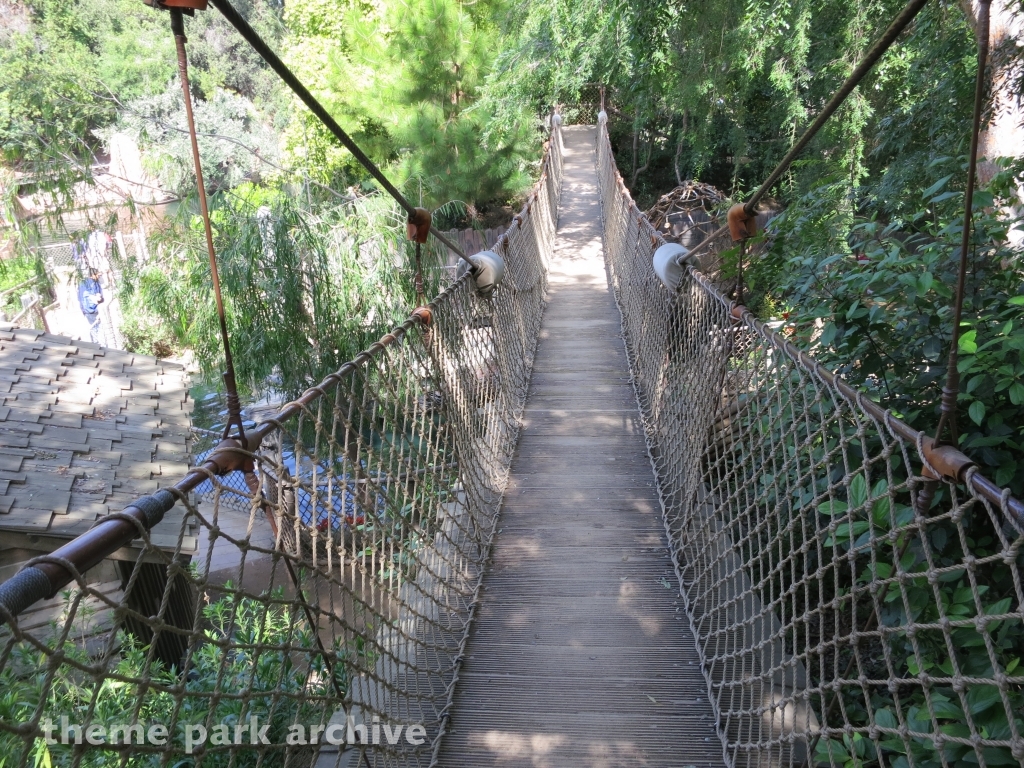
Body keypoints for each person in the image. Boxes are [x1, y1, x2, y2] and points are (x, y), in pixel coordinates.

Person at [77, 270, 104, 344]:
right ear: (93, 275)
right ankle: (99, 345)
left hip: (89, 311)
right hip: (92, 310)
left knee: (95, 329)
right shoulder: (91, 283)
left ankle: (97, 344)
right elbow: (93, 298)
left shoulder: (84, 283)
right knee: (98, 329)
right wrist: (97, 298)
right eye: (98, 274)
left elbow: (80, 298)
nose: (100, 276)